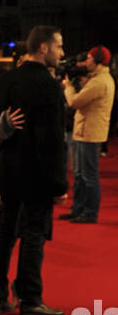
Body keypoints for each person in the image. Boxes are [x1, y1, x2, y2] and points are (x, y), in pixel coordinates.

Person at [0, 24, 67, 315]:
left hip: (10, 169)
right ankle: (29, 297)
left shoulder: (7, 80)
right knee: (34, 234)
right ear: (43, 48)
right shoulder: (50, 86)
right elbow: (52, 141)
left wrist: (1, 130)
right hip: (37, 173)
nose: (61, 53)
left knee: (4, 232)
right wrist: (59, 183)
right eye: (59, 46)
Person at [59, 46, 115, 224]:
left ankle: (90, 213)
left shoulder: (99, 82)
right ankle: (78, 209)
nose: (86, 61)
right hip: (85, 131)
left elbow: (75, 101)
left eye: (90, 58)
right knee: (80, 174)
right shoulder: (97, 79)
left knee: (89, 176)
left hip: (90, 133)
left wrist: (68, 87)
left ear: (98, 61)